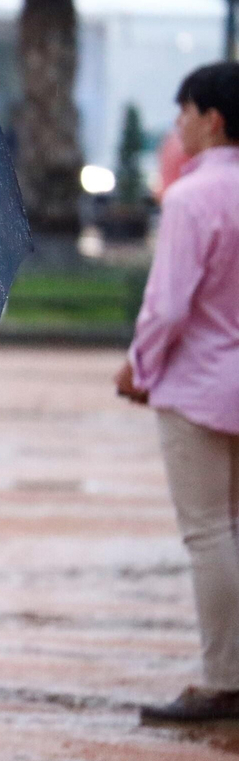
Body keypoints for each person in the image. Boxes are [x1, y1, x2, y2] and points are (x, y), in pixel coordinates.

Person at [117, 62, 239, 723]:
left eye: (184, 111)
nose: (178, 125)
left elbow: (167, 306)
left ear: (212, 118)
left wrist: (139, 366)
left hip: (199, 386)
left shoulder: (192, 198)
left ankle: (225, 675)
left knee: (209, 533)